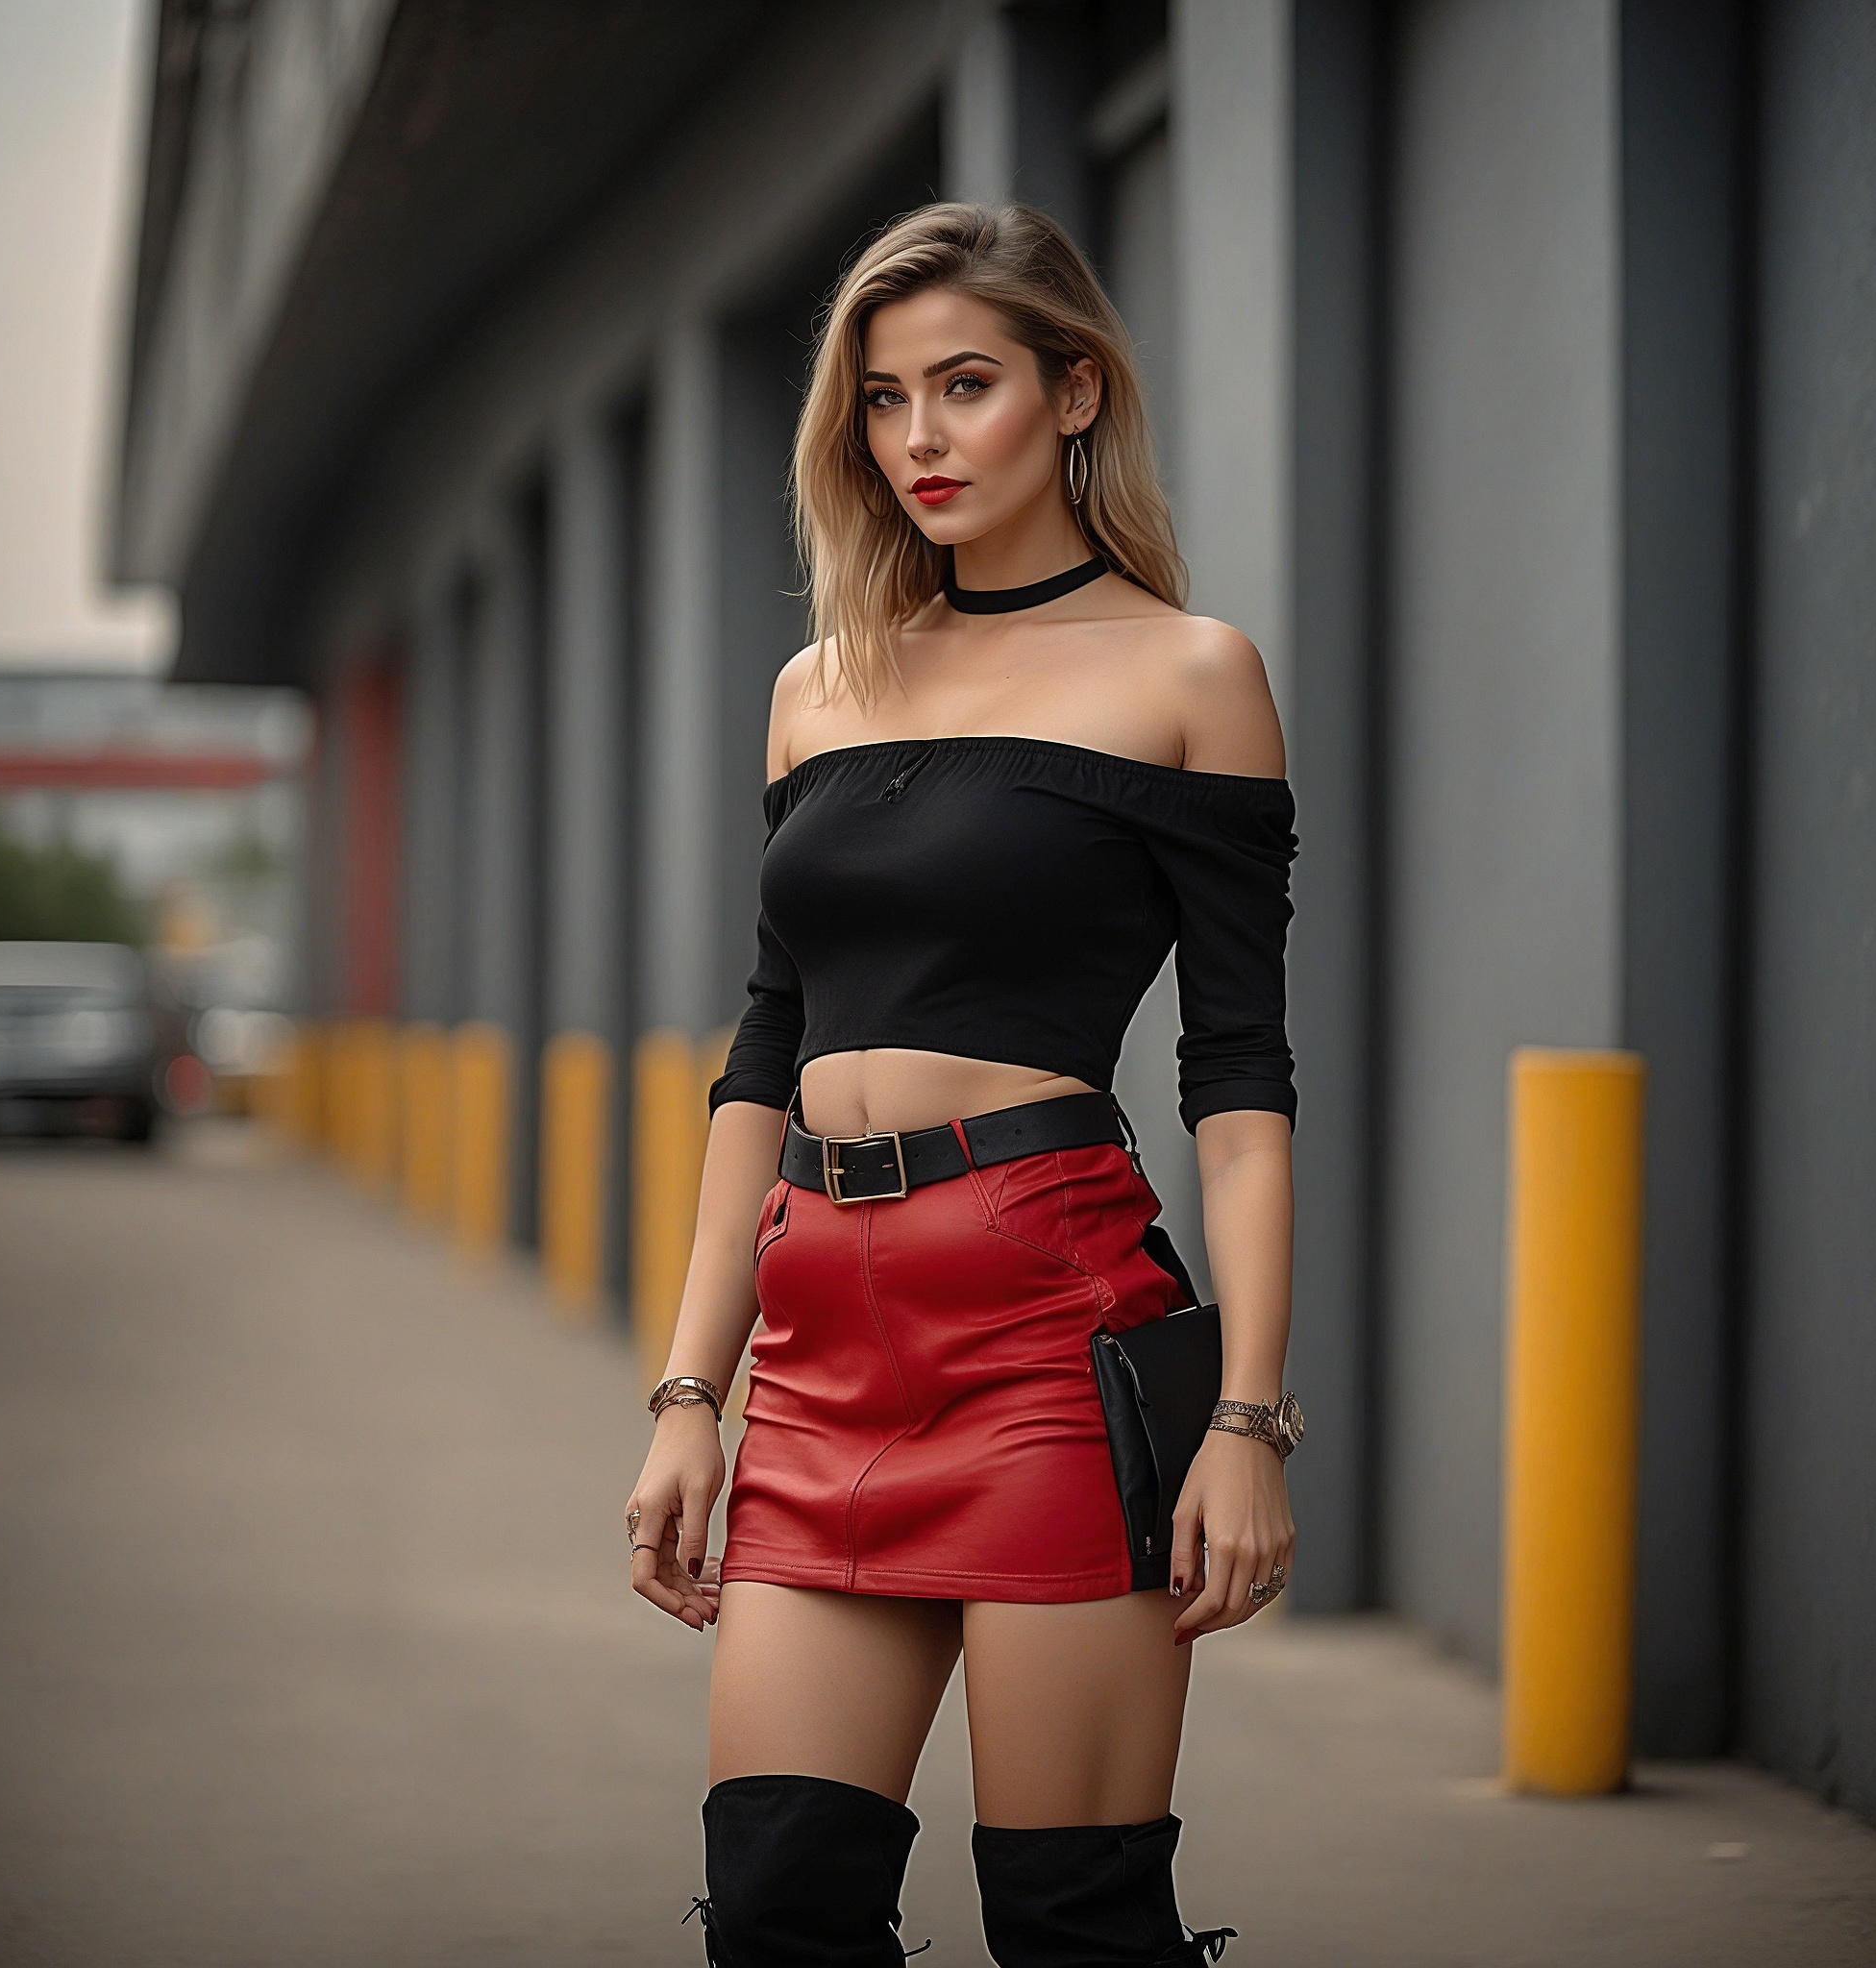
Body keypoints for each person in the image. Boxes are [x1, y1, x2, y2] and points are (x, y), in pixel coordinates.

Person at [626, 202, 1301, 1967]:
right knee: (778, 1909)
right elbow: (762, 1054)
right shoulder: (818, 689)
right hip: (823, 1348)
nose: (919, 437)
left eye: (969, 385)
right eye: (883, 399)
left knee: (1072, 1925)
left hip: (1040, 1330)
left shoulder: (1189, 674)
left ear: (1076, 393)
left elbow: (1237, 1075)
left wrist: (1245, 1419)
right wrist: (689, 1390)